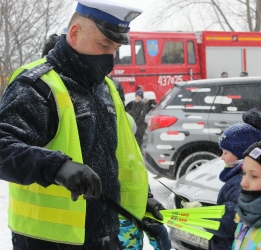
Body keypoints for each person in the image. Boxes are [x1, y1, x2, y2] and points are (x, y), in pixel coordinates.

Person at [0, 1, 166, 249]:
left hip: (105, 236)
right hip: (48, 241)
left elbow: (123, 157)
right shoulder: (36, 85)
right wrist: (56, 167)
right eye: (104, 45)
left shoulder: (107, 88)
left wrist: (144, 200)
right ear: (75, 33)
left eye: (115, 49)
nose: (110, 56)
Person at [204, 109, 261, 250]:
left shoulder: (240, 182)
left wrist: (201, 214)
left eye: (226, 152)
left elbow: (229, 222)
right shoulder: (238, 177)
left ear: (240, 153)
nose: (222, 157)